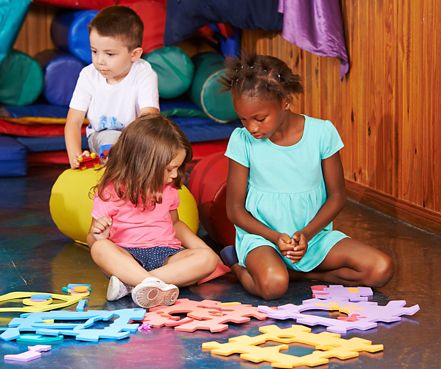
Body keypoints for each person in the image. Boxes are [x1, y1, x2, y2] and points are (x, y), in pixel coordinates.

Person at [219, 54, 394, 300]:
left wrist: (307, 234)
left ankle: (304, 275)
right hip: (263, 239)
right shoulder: (242, 140)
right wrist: (275, 237)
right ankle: (238, 265)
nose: (252, 128)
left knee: (380, 268)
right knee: (273, 286)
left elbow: (337, 197)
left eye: (259, 118)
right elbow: (235, 210)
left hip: (313, 238)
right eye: (243, 119)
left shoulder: (322, 133)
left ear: (285, 102)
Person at [87, 114, 219, 308]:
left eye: (178, 168)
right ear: (143, 164)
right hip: (126, 258)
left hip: (166, 255)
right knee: (100, 249)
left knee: (207, 260)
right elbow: (91, 238)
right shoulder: (110, 191)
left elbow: (175, 223)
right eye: (169, 169)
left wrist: (204, 250)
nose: (175, 174)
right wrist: (99, 236)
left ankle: (134, 285)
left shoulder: (169, 189)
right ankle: (146, 282)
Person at [65, 6, 159, 169]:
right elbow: (73, 122)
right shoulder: (88, 75)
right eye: (94, 51)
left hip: (135, 139)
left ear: (134, 54)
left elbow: (149, 117)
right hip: (103, 137)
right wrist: (76, 157)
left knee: (163, 139)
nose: (100, 60)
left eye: (109, 54)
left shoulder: (144, 73)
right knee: (111, 139)